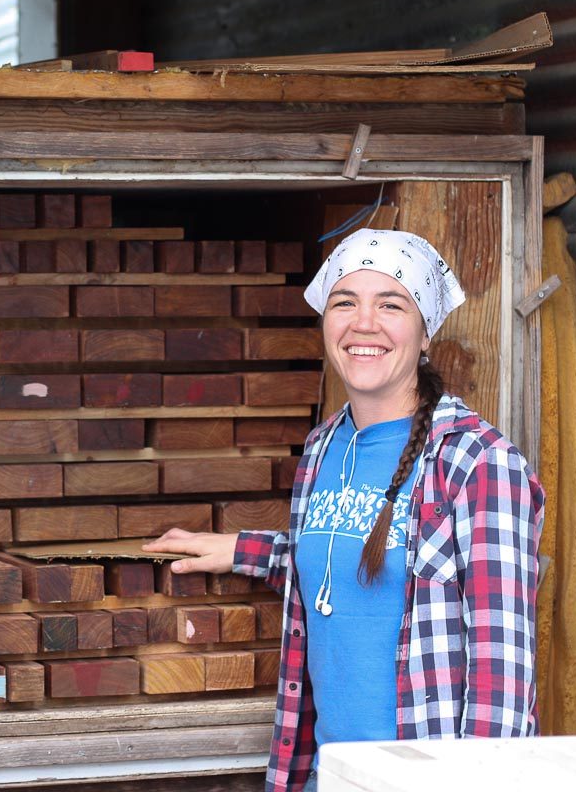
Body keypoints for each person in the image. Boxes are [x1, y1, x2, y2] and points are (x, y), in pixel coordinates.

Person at [146, 228, 545, 792]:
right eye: (345, 303)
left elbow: (502, 676)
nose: (364, 323)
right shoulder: (322, 448)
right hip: (327, 777)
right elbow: (347, 559)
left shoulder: (478, 463)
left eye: (391, 305)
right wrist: (240, 549)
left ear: (426, 331)